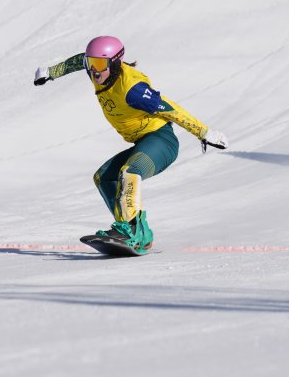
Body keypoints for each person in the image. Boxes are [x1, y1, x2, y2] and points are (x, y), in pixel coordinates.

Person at [34, 36, 228, 253]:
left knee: (129, 171)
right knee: (103, 177)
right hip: (142, 142)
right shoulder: (97, 71)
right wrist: (51, 72)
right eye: (91, 64)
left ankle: (132, 232)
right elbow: (79, 60)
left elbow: (169, 108)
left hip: (161, 141)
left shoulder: (132, 89)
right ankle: (132, 229)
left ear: (115, 63)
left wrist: (204, 132)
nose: (94, 72)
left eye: (99, 65)